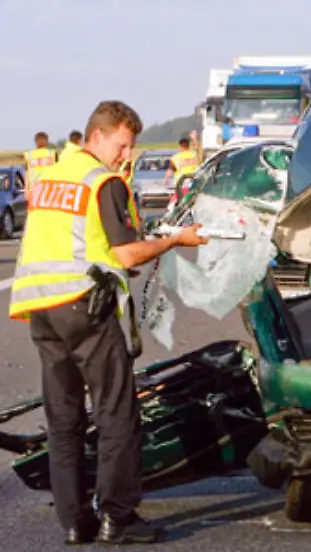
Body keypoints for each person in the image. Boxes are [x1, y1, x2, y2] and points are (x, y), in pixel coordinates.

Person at [8, 100, 209, 545]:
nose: (126, 157)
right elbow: (124, 253)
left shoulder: (49, 179)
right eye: (123, 145)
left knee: (63, 420)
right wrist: (176, 240)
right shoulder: (103, 182)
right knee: (117, 413)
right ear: (98, 135)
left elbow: (76, 242)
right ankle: (118, 516)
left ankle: (76, 523)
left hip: (41, 310)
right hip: (85, 309)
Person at [23, 131, 58, 197]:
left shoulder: (29, 155)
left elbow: (26, 175)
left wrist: (26, 191)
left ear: (35, 142)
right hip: (50, 190)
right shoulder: (52, 154)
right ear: (47, 141)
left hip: (34, 191)